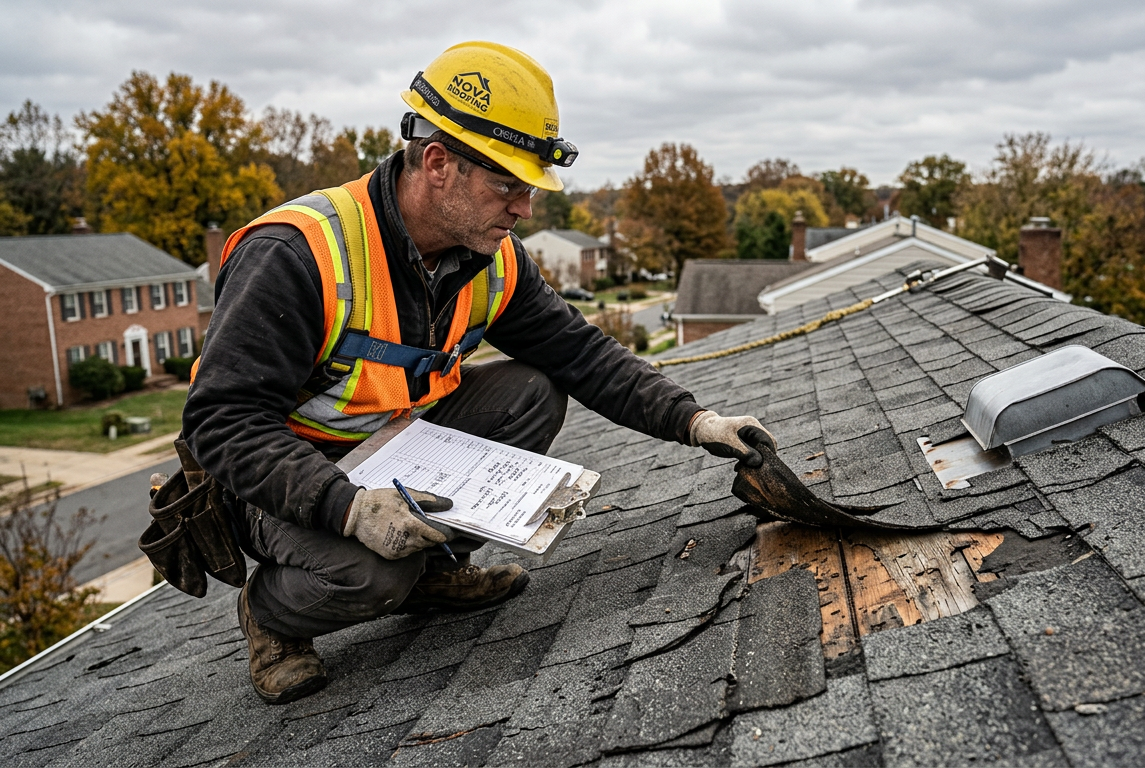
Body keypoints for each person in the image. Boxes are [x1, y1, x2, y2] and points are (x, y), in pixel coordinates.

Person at [182, 41, 773, 705]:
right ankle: (274, 615)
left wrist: (697, 420)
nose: (524, 208)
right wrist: (347, 508)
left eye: (530, 188)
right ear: (437, 163)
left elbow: (579, 354)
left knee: (533, 392)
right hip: (280, 480)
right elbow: (221, 422)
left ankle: (431, 569)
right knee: (374, 575)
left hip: (391, 454)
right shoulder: (298, 253)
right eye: (507, 185)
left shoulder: (491, 258)